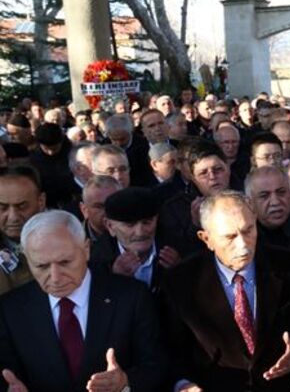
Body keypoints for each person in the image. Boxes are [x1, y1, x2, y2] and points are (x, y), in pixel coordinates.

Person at [0, 210, 167, 391]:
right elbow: (7, 374)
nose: (55, 277)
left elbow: (156, 367)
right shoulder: (10, 309)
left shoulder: (131, 297)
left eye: (65, 262)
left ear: (86, 250)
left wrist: (125, 383)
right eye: (42, 266)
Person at [161, 191, 290, 392]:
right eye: (230, 236)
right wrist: (184, 384)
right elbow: (170, 351)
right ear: (206, 239)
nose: (243, 244)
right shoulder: (181, 282)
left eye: (248, 230)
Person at [90, 187, 181, 292]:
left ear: (156, 219)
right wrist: (114, 280)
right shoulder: (95, 262)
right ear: (110, 226)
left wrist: (180, 272)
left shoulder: (180, 247)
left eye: (147, 222)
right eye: (130, 225)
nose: (140, 232)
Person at [0, 165, 46, 296]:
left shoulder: (65, 239)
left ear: (41, 201)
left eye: (22, 206)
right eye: (2, 208)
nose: (13, 217)